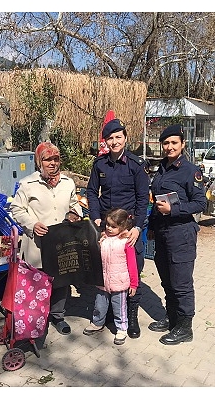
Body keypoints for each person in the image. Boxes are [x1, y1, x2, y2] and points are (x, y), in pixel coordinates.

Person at [85, 118, 150, 339]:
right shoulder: (99, 165)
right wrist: (95, 218)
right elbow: (92, 193)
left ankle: (130, 318)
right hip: (106, 227)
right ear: (105, 141)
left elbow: (143, 199)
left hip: (128, 229)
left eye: (118, 137)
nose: (114, 141)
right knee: (107, 269)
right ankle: (111, 315)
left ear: (125, 138)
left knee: (132, 271)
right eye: (110, 138)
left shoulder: (136, 165)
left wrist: (138, 228)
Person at [10, 141, 80, 336]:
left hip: (62, 242)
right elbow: (16, 208)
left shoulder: (68, 183)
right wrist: (32, 224)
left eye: (55, 159)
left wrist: (75, 213)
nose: (52, 163)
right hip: (38, 244)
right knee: (38, 281)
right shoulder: (28, 184)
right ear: (38, 161)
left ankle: (58, 316)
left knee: (61, 279)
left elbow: (75, 203)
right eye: (47, 159)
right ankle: (34, 318)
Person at [147, 124, 207, 345]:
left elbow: (201, 203)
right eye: (166, 143)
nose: (169, 147)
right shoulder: (161, 168)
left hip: (181, 233)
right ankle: (172, 318)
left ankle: (185, 327)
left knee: (181, 283)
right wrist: (152, 226)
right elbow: (156, 201)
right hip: (162, 232)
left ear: (182, 144)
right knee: (167, 280)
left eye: (174, 143)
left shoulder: (191, 171)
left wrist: (174, 210)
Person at [82, 208, 139, 345]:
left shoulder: (126, 242)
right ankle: (97, 322)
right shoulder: (103, 238)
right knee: (99, 304)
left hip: (119, 282)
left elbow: (132, 264)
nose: (109, 228)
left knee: (119, 307)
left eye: (113, 226)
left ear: (123, 227)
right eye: (107, 224)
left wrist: (134, 283)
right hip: (103, 280)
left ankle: (122, 328)